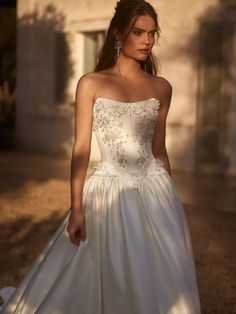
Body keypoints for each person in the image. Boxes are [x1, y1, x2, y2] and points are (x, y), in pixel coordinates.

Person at [1, 0, 201, 313]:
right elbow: (80, 149)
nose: (147, 40)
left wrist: (171, 202)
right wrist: (77, 207)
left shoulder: (162, 87)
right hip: (108, 190)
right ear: (119, 34)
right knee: (110, 271)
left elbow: (159, 151)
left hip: (156, 190)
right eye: (139, 32)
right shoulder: (91, 84)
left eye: (152, 33)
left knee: (161, 275)